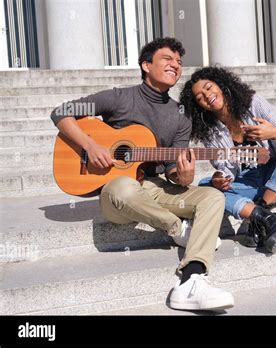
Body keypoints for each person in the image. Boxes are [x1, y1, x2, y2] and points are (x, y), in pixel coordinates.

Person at [50, 38, 234, 311]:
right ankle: (179, 228)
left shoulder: (181, 116)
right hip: (118, 193)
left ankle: (192, 279)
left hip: (156, 188)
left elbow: (174, 172)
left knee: (212, 197)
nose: (175, 65)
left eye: (179, 62)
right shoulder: (118, 97)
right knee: (123, 186)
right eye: (167, 59)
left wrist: (183, 176)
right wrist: (90, 145)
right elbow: (61, 113)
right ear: (146, 65)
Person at [180, 67, 276, 254]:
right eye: (200, 97)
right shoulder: (210, 131)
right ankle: (267, 219)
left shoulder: (254, 103)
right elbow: (224, 167)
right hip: (247, 181)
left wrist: (274, 133)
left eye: (209, 88)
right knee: (206, 186)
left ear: (221, 84)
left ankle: (262, 211)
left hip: (275, 173)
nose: (207, 96)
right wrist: (221, 179)